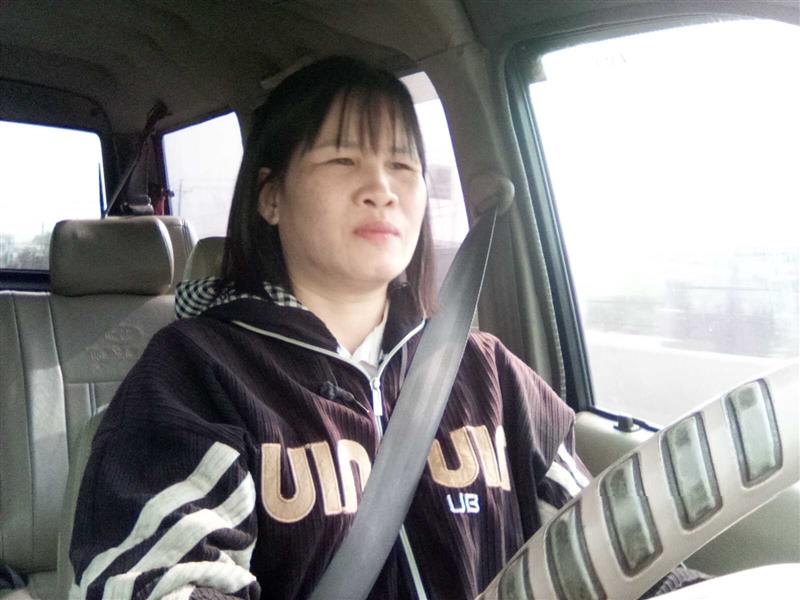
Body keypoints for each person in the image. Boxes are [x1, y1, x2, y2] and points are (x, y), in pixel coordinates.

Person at [69, 56, 703, 600]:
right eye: (344, 159)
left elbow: (612, 544)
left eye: (403, 166)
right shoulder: (195, 374)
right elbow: (162, 581)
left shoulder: (486, 370)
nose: (381, 188)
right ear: (271, 195)